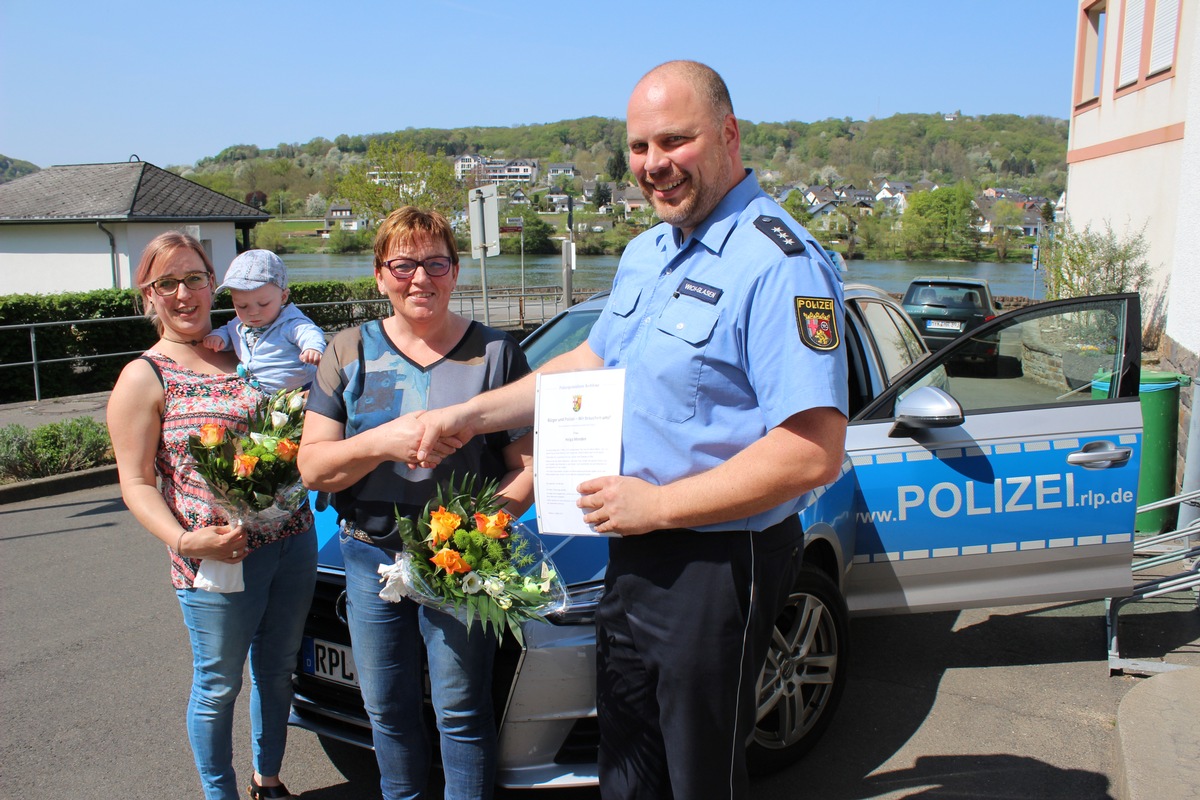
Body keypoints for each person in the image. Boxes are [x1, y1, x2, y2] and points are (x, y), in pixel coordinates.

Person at [412, 60, 849, 800]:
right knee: (628, 770)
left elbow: (812, 450)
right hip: (632, 552)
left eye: (674, 141)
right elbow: (589, 361)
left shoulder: (778, 264)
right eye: (640, 148)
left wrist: (660, 506)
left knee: (697, 779)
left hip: (717, 560)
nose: (654, 165)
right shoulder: (649, 252)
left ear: (729, 133)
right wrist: (468, 415)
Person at [297, 206, 534, 800]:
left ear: (455, 272)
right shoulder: (349, 350)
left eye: (435, 263)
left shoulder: (497, 354)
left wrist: (474, 535)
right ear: (380, 276)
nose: (419, 278)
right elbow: (313, 465)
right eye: (403, 265)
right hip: (368, 555)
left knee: (460, 711)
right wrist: (382, 441)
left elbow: (527, 469)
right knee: (388, 711)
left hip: (461, 567)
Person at [107, 231, 317, 800]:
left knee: (276, 673)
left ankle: (267, 779)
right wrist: (184, 540)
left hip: (293, 539)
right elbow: (135, 482)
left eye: (194, 278)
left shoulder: (240, 344)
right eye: (166, 283)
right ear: (147, 296)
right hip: (216, 558)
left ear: (212, 283)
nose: (183, 293)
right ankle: (218, 793)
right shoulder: (144, 376)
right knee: (219, 684)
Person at [203, 249, 325, 393]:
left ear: (283, 297)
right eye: (242, 306)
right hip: (261, 392)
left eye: (264, 304)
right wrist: (218, 337)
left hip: (299, 390)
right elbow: (228, 331)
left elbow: (309, 332)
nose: (253, 312)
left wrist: (312, 348)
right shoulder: (238, 325)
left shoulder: (290, 323)